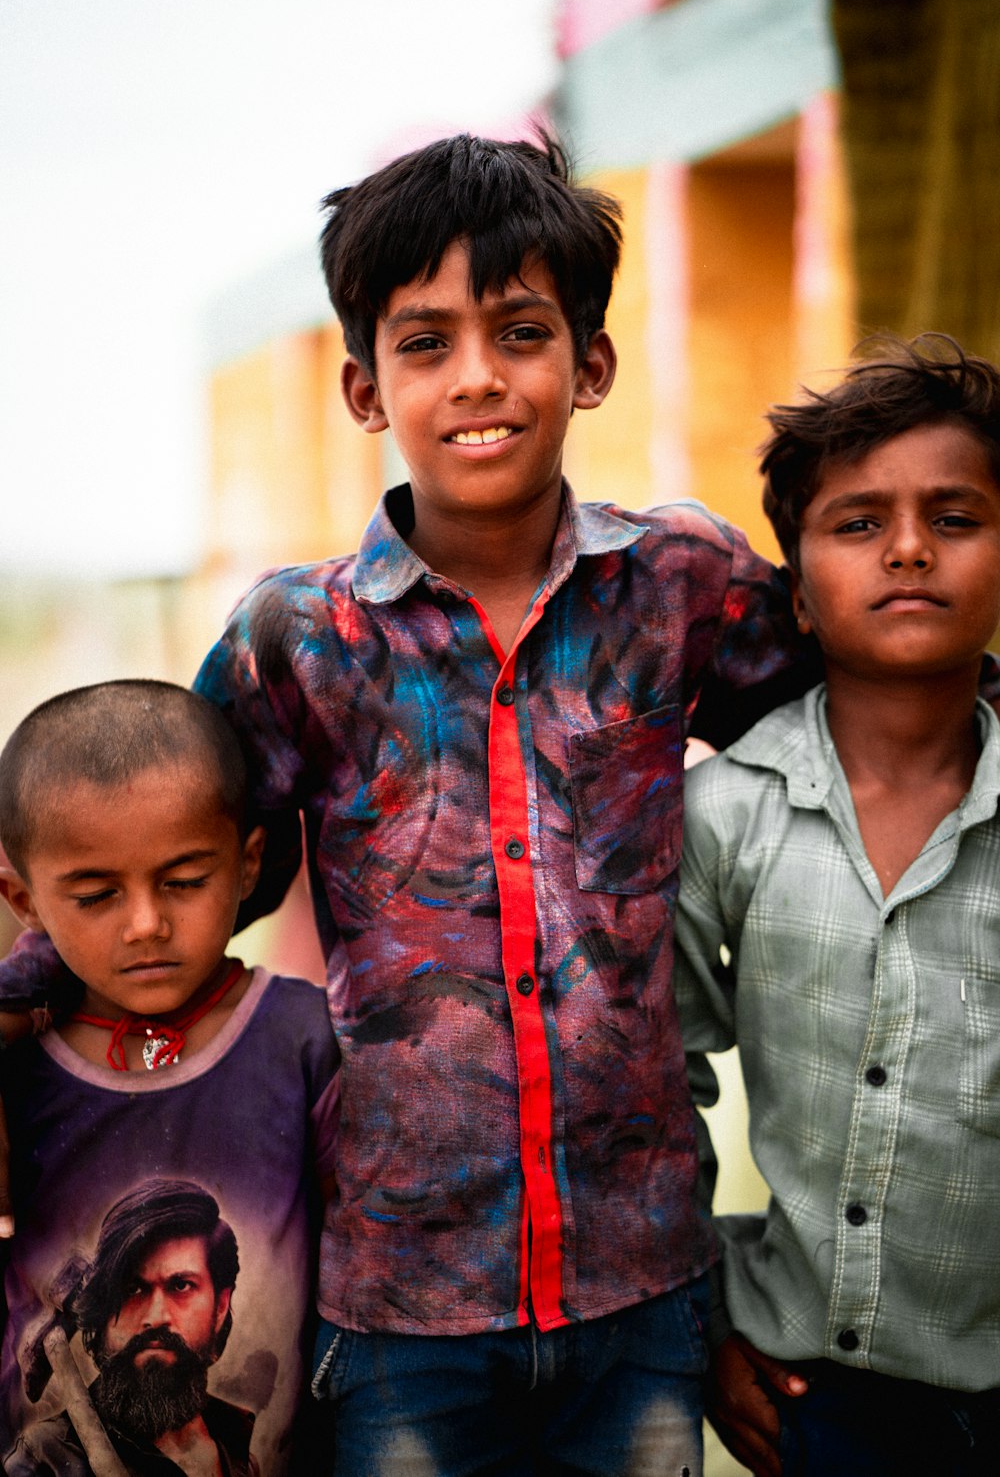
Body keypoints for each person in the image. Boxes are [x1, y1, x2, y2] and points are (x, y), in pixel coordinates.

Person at [0, 137, 993, 1475]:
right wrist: (24, 1001)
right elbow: (169, 856)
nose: (477, 377)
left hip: (639, 1286)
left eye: (521, 332)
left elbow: (877, 679)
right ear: (364, 386)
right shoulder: (298, 640)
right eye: (426, 343)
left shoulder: (682, 585)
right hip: (400, 1299)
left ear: (590, 364)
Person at [673, 335, 1000, 1477]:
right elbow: (658, 1081)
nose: (907, 548)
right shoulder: (725, 814)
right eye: (856, 524)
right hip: (809, 1395)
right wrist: (705, 1323)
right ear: (797, 595)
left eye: (953, 518)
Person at [0, 681, 340, 1476]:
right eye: (96, 895)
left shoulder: (304, 1041)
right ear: (24, 900)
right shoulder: (19, 1066)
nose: (147, 923)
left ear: (248, 862)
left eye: (184, 882)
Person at [6, 1180, 256, 1476]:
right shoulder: (43, 1459)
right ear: (100, 1310)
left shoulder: (237, 1452)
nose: (155, 1316)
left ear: (220, 1307)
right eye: (132, 1289)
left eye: (181, 1285)